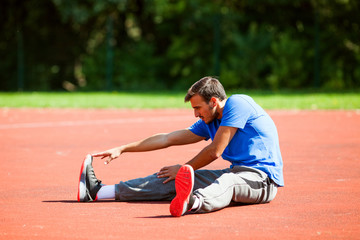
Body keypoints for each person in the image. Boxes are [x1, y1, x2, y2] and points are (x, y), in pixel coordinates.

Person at [77, 76, 284, 217]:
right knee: (169, 178)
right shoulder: (209, 121)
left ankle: (193, 202)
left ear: (213, 101)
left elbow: (215, 151)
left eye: (197, 108)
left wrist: (186, 169)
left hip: (262, 181)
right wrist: (122, 148)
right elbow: (167, 139)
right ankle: (98, 192)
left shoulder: (238, 103)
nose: (195, 114)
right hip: (239, 173)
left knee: (227, 181)